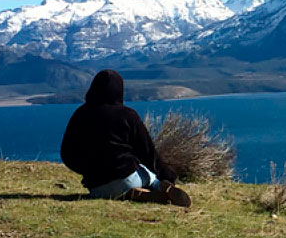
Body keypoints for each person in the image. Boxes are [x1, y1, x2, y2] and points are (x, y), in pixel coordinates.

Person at [60, 69, 190, 207]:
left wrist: (88, 171)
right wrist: (168, 175)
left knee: (118, 186)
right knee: (151, 177)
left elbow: (67, 154)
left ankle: (135, 194)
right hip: (127, 177)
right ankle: (159, 189)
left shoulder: (80, 114)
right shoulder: (128, 115)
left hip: (96, 188)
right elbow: (148, 152)